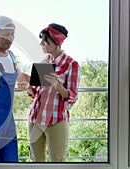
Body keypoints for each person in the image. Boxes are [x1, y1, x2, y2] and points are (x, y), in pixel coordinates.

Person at [26, 23, 80, 162]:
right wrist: (28, 87)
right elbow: (36, 94)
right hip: (35, 118)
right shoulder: (44, 62)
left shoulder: (71, 64)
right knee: (36, 161)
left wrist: (57, 85)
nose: (41, 43)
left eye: (45, 40)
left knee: (57, 161)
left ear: (56, 42)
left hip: (56, 120)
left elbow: (72, 96)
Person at [0, 15, 30, 162]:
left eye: (12, 35)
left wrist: (45, 76)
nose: (10, 38)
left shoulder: (11, 55)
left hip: (8, 120)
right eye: (6, 34)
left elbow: (20, 77)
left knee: (11, 161)